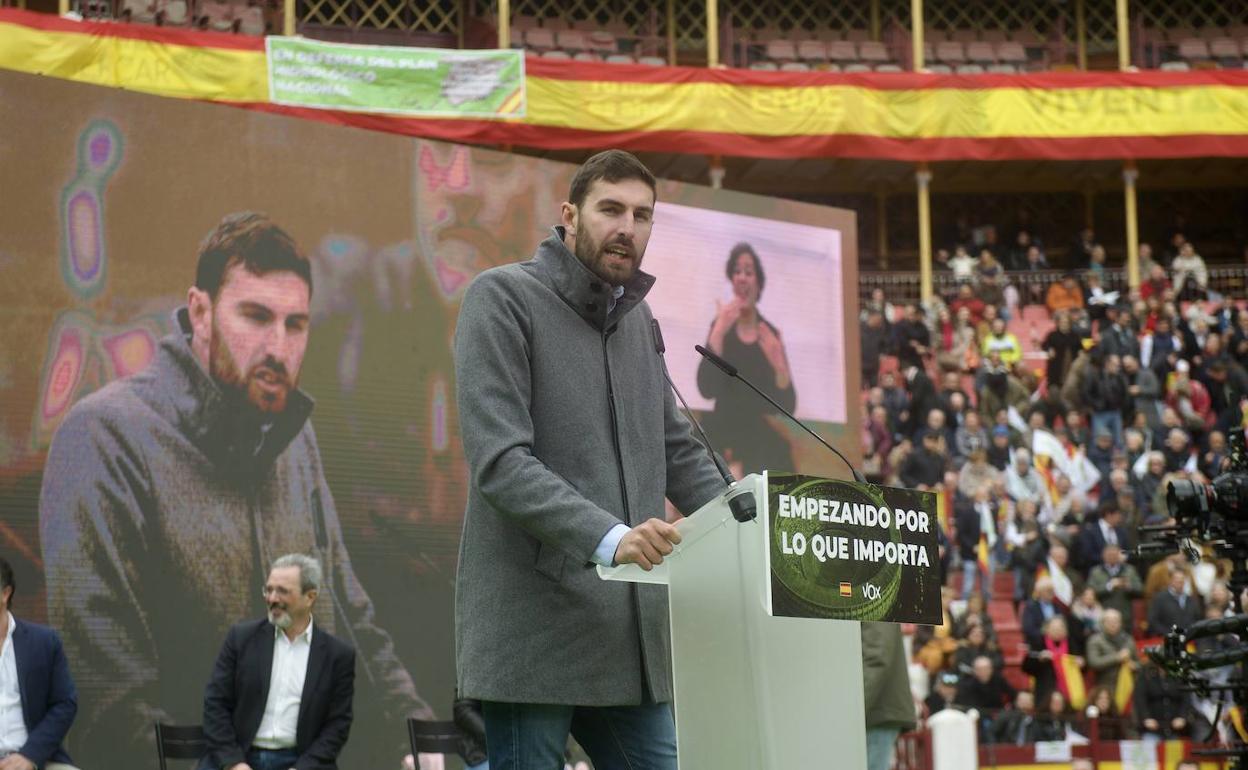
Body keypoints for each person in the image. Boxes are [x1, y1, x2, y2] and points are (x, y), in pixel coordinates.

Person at [38, 212, 431, 763]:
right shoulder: (104, 437)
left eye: (295, 325)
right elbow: (109, 702)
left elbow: (353, 621)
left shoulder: (296, 439)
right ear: (200, 313)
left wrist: (421, 742)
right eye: (255, 316)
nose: (278, 345)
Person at [453, 150, 728, 769]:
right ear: (570, 215)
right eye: (611, 209)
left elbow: (678, 449)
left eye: (642, 215)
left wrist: (750, 523)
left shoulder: (639, 321)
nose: (627, 227)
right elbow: (501, 462)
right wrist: (612, 537)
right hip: (533, 630)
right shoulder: (500, 297)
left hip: (625, 637)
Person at [201, 554, 354, 770]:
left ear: (310, 596)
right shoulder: (241, 638)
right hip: (239, 756)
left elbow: (337, 725)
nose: (272, 598)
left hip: (300, 762)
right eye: (269, 589)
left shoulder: (338, 655)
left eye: (282, 591)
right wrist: (234, 763)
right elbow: (215, 704)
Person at [696, 241, 797, 475]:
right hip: (722, 428)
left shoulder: (769, 334)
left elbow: (788, 405)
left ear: (758, 283)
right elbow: (706, 389)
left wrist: (780, 367)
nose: (742, 278)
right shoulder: (720, 327)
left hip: (757, 438)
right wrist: (717, 334)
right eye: (737, 272)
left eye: (748, 272)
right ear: (732, 281)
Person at [0, 556, 78, 770]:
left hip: (37, 759)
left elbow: (65, 703)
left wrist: (30, 756)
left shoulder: (43, 642)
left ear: (5, 593)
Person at [861, 622, 915, 770]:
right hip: (877, 711)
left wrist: (854, 710)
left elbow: (877, 657)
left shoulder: (872, 602)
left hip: (876, 711)